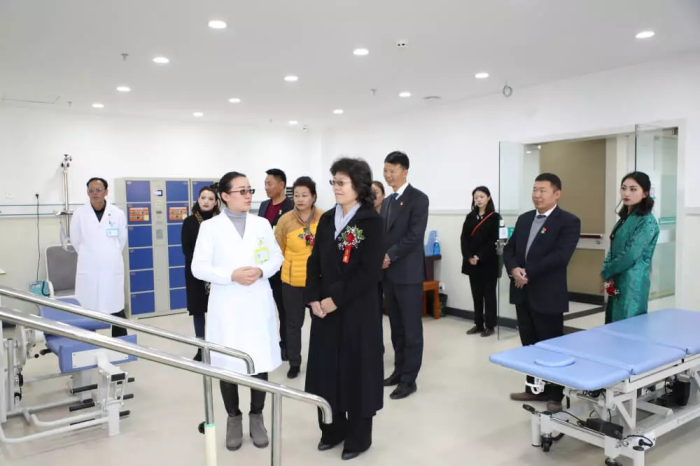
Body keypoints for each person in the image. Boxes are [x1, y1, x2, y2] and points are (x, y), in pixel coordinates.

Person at [192, 171, 283, 452]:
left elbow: (276, 257)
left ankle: (257, 416)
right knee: (227, 362)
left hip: (257, 302)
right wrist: (230, 275)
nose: (248, 196)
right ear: (225, 196)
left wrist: (261, 270)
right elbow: (198, 267)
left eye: (249, 190)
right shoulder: (210, 228)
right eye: (241, 191)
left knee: (259, 360)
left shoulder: (261, 224)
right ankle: (233, 418)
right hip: (227, 305)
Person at [305, 158, 384, 461]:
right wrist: (314, 298)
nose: (336, 188)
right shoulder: (327, 218)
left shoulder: (370, 221)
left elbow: (369, 272)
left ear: (359, 186)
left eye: (341, 183)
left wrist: (335, 299)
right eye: (334, 182)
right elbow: (314, 261)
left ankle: (358, 437)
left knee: (357, 371)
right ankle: (332, 429)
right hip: (324, 310)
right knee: (327, 370)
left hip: (357, 310)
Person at [503, 173, 581, 413]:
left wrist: (527, 272)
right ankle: (533, 388)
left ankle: (555, 394)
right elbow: (509, 249)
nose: (536, 195)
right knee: (528, 344)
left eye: (542, 190)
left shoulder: (568, 221)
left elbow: (560, 257)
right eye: (534, 190)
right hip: (522, 291)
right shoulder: (525, 219)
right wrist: (513, 269)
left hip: (547, 294)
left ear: (557, 194)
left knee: (552, 345)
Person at [381, 151, 430, 400]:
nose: (388, 175)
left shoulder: (418, 199)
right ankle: (399, 371)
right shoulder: (387, 201)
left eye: (393, 171)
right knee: (396, 328)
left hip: (408, 274)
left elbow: (414, 236)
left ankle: (409, 380)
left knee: (411, 330)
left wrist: (389, 255)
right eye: (386, 170)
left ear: (405, 171)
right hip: (388, 275)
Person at [274, 176, 324, 379]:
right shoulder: (285, 220)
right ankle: (294, 362)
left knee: (320, 324)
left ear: (313, 196)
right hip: (292, 282)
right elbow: (278, 250)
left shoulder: (324, 218)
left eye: (304, 195)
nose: (300, 199)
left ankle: (319, 361)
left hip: (317, 282)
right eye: (296, 195)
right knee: (293, 325)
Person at [71, 177, 128, 337]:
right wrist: (91, 254)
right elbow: (75, 240)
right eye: (91, 190)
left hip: (111, 266)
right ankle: (89, 340)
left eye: (98, 189)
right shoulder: (79, 214)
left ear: (106, 192)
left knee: (115, 305)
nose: (94, 193)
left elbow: (122, 240)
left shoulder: (117, 213)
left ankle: (121, 342)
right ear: (87, 192)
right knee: (88, 306)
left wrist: (108, 254)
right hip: (88, 267)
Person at [602, 172, 659, 324]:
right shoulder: (625, 219)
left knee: (628, 323)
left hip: (633, 281)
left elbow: (631, 254)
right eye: (623, 188)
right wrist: (607, 268)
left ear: (645, 193)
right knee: (613, 322)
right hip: (618, 278)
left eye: (633, 189)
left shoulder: (647, 222)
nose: (626, 193)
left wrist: (608, 271)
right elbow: (614, 248)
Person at [258, 168, 295, 361]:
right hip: (264, 265)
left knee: (284, 310)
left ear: (282, 185)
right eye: (265, 183)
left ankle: (286, 346)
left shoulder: (291, 207)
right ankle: (269, 343)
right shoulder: (264, 206)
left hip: (283, 265)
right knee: (265, 308)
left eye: (269, 183)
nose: (266, 187)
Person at [181, 185, 220, 361]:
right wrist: (202, 267)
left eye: (211, 199)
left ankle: (218, 346)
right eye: (203, 198)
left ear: (216, 202)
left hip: (217, 274)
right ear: (198, 199)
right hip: (196, 274)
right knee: (198, 311)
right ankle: (201, 348)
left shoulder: (220, 222)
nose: (206, 201)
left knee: (216, 310)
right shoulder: (189, 222)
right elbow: (187, 250)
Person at [460, 186, 501, 337]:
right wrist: (469, 256)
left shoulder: (495, 217)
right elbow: (464, 238)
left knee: (489, 295)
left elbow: (494, 240)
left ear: (488, 198)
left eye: (482, 197)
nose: (479, 200)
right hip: (472, 263)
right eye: (476, 197)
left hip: (488, 263)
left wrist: (479, 256)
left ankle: (490, 325)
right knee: (476, 295)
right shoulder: (470, 217)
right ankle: (478, 324)